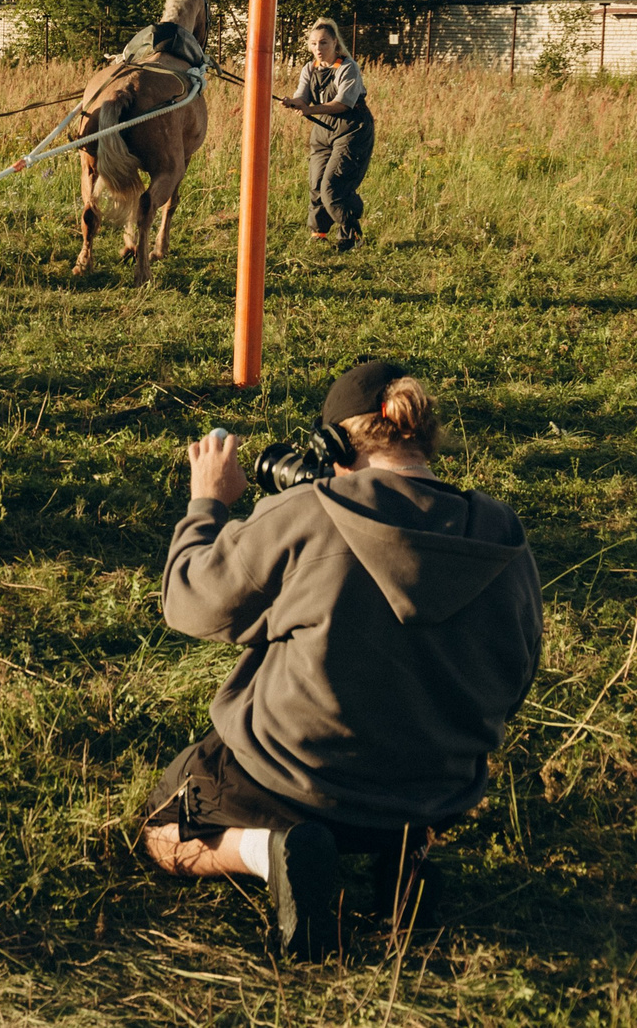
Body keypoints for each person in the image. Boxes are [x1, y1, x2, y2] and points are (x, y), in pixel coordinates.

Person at [141, 362, 542, 959]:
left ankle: (269, 853)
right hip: (437, 790)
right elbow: (518, 674)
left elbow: (189, 602)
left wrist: (207, 504)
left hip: (295, 780)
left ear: (333, 444)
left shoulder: (310, 511)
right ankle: (405, 856)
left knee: (161, 828)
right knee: (401, 793)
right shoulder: (501, 530)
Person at [279, 19, 374, 250]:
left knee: (332, 187)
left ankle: (352, 236)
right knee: (316, 184)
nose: (318, 48)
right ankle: (319, 234)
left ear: (335, 43)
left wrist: (310, 110)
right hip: (323, 131)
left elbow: (343, 103)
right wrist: (293, 102)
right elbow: (303, 97)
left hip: (353, 129)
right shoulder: (309, 69)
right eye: (313, 43)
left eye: (323, 42)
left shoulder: (347, 67)